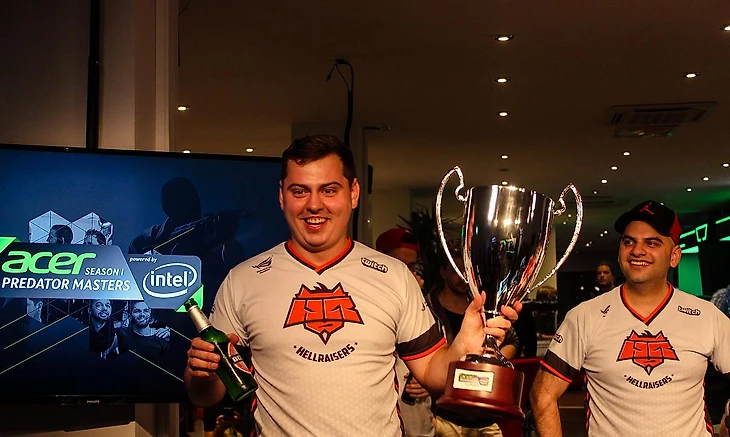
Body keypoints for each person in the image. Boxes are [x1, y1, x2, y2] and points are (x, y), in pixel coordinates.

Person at [184, 135, 519, 437]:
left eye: (329, 190)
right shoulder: (243, 280)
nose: (314, 205)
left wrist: (462, 348)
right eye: (299, 191)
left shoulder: (393, 276)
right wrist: (201, 374)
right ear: (282, 196)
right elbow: (207, 395)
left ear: (353, 193)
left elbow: (432, 372)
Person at [530, 200, 730, 437]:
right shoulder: (584, 316)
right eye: (629, 242)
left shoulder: (706, 315)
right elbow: (542, 395)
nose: (637, 251)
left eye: (652, 243)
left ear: (675, 256)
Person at [426, 241, 518, 437]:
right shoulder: (426, 308)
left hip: (485, 417)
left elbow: (512, 342)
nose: (463, 277)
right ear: (443, 271)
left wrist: (490, 358)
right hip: (443, 417)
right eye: (456, 270)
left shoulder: (486, 306)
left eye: (466, 271)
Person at [376, 227, 434, 437]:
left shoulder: (425, 305)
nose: (406, 273)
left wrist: (429, 382)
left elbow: (440, 361)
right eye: (399, 264)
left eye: (411, 266)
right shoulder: (365, 304)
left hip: (418, 426)